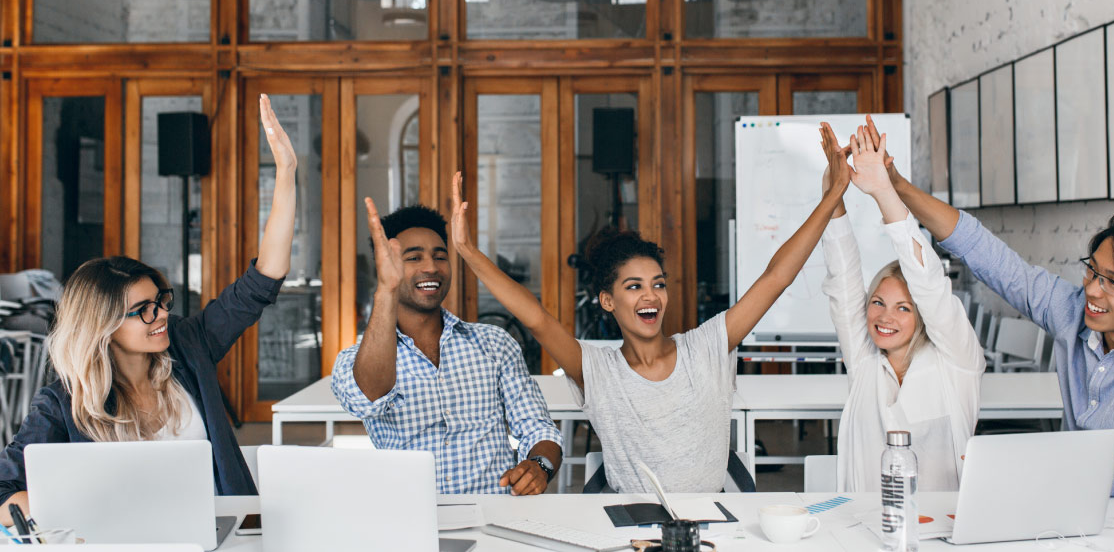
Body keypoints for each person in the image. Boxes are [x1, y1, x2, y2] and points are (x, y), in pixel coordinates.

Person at [447, 124, 853, 494]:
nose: (651, 296)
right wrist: (466, 251)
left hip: (710, 526)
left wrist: (833, 195)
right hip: (633, 530)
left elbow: (776, 277)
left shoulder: (706, 347)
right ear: (607, 301)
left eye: (658, 284)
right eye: (634, 286)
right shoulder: (598, 370)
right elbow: (534, 317)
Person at [862, 114, 1114, 497]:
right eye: (1092, 272)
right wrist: (897, 186)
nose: (1092, 290)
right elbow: (991, 257)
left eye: (1112, 283)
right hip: (1080, 506)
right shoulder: (1075, 315)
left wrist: (1020, 466)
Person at [0, 94, 297, 525]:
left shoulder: (188, 345)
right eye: (142, 310)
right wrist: (68, 505)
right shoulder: (62, 404)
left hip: (219, 539)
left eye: (160, 302)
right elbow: (5, 492)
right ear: (100, 326)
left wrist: (285, 174)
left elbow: (262, 281)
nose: (160, 316)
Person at [330, 202, 562, 495]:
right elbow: (368, 398)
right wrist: (386, 290)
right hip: (410, 517)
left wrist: (539, 466)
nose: (431, 267)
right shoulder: (355, 360)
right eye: (413, 257)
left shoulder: (494, 343)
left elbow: (537, 427)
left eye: (440, 257)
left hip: (497, 514)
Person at [820, 121, 984, 492]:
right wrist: (833, 192)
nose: (885, 316)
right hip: (864, 534)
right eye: (877, 302)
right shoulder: (865, 364)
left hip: (941, 537)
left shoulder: (957, 363)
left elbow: (929, 284)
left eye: (903, 308)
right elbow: (843, 279)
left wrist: (883, 191)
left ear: (922, 315)